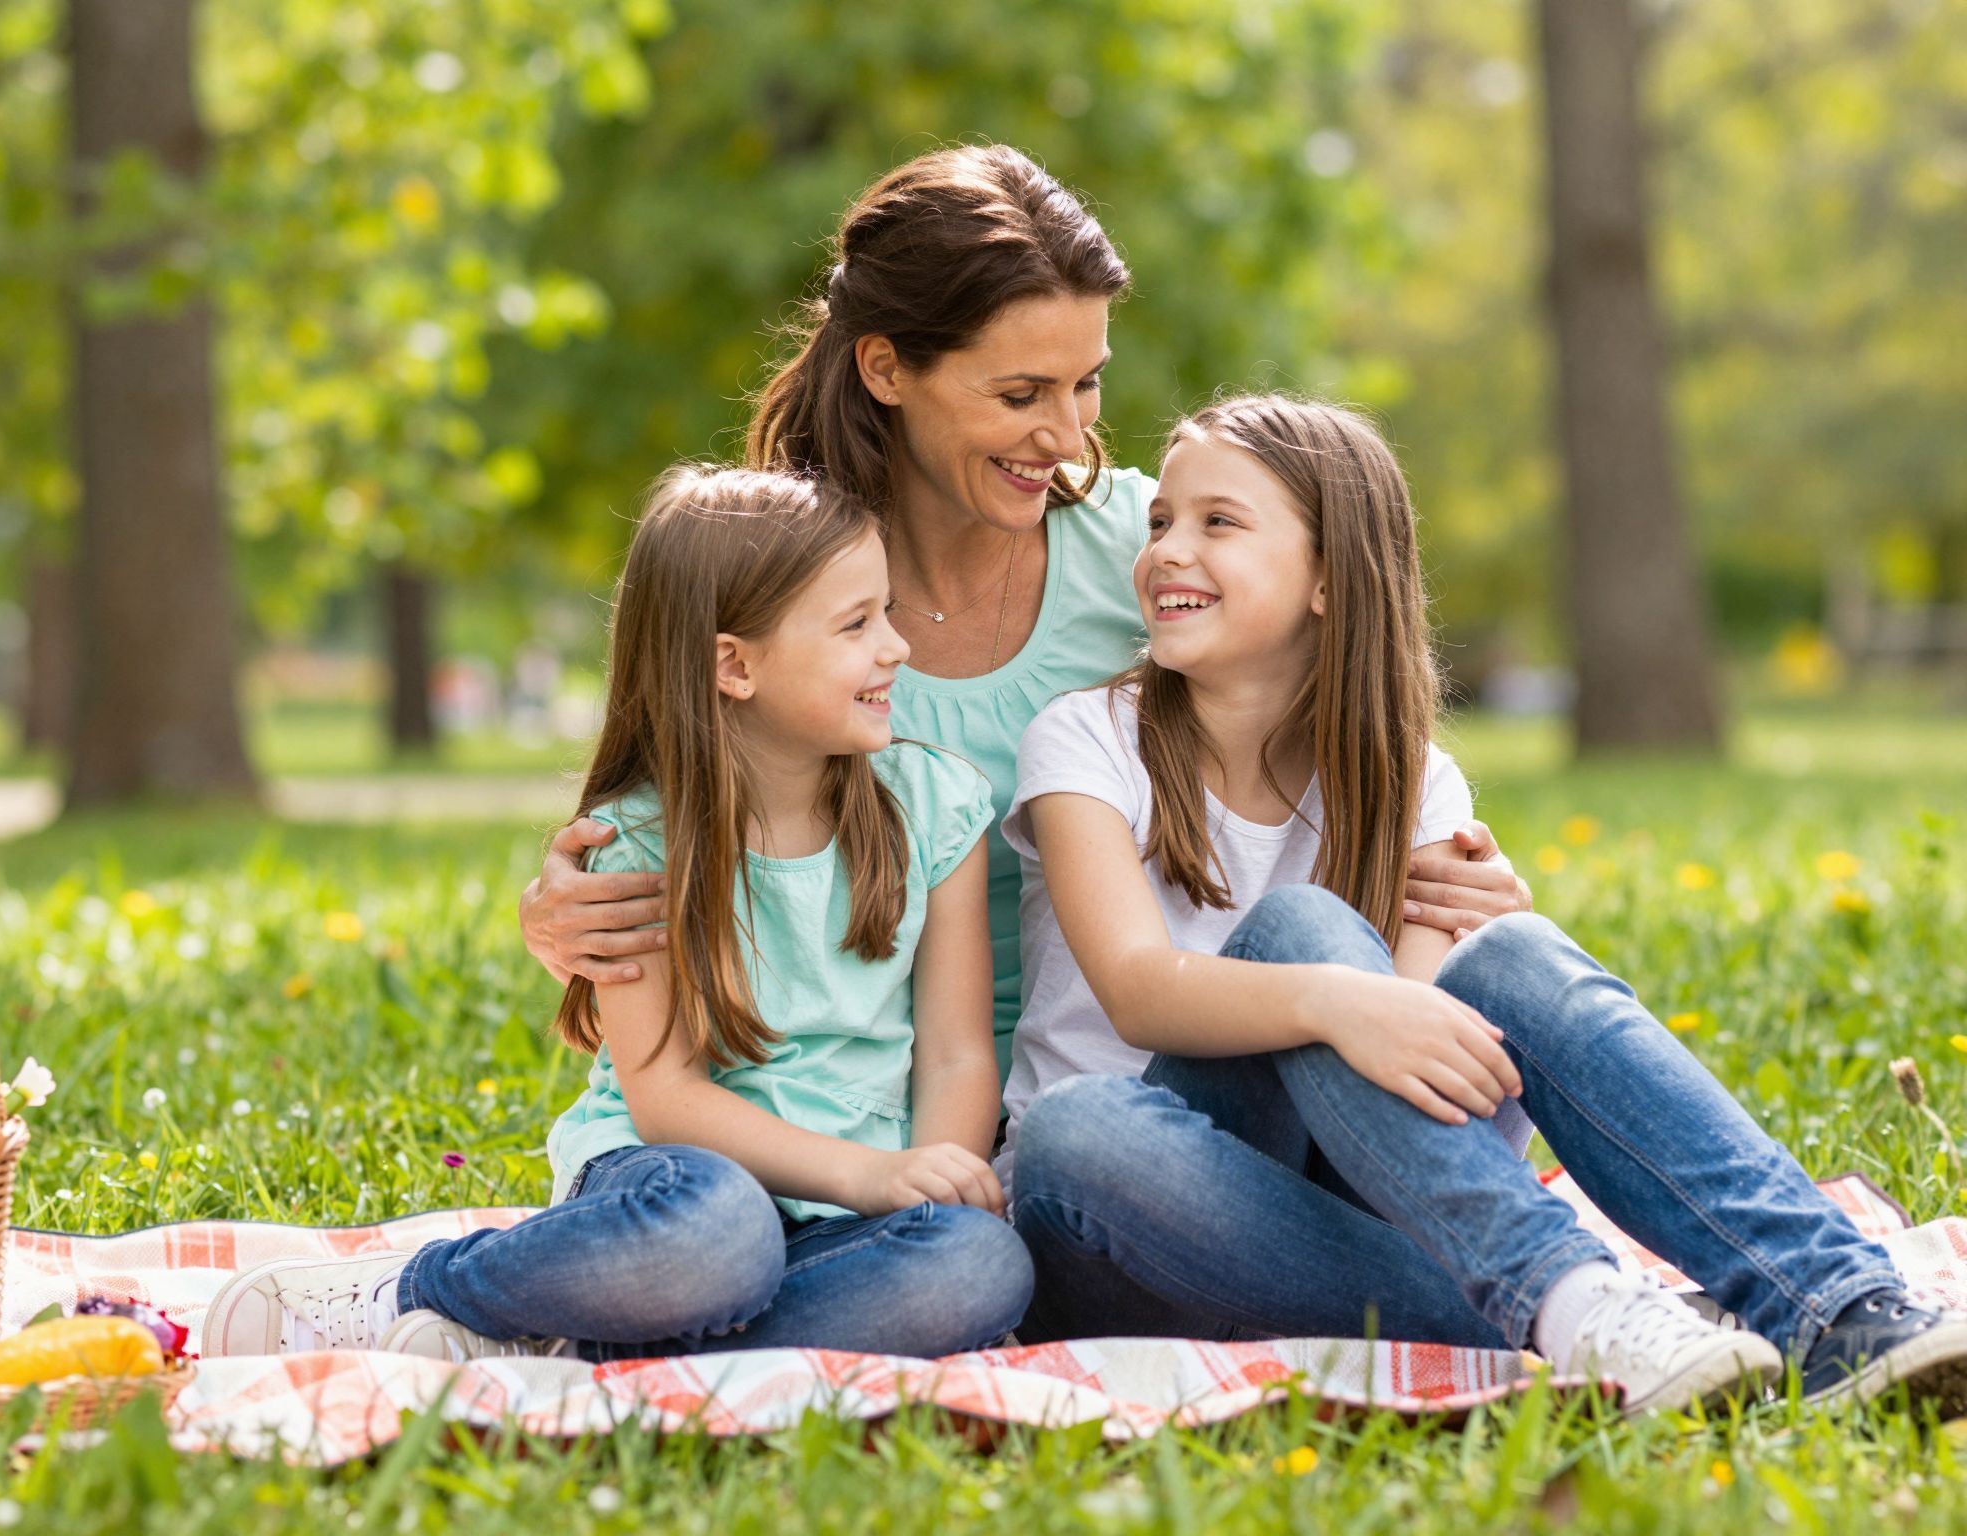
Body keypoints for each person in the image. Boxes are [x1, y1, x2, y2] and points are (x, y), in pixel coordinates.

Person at [1002, 394, 1967, 1416]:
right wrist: (1335, 1001)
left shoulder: (1411, 781)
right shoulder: (1084, 741)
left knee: (1499, 951)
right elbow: (1140, 992)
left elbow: (1419, 1092)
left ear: (1329, 576)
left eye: (1217, 523)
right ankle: (1580, 1302)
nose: (1165, 551)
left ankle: (1837, 1305)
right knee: (1080, 1125)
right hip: (1121, 1207)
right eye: (1160, 523)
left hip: (1340, 1211)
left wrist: (1431, 972)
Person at [517, 143, 1528, 1095]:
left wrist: (1458, 887)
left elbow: (1353, 737)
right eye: (1018, 393)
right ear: (884, 371)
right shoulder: (771, 577)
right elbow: (658, 819)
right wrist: (564, 916)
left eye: (1085, 382)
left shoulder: (1154, 548)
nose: (1064, 432)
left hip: (1151, 1066)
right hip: (848, 1100)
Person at [201, 467, 1030, 1363]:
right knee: (719, 1235)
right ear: (734, 664)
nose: (897, 647)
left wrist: (932, 1180)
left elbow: (954, 1050)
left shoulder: (937, 804)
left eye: (890, 613)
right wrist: (869, 1174)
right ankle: (426, 1286)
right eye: (857, 624)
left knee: (979, 1265)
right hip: (674, 1187)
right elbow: (668, 1097)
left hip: (845, 1221)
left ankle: (595, 1339)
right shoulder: (640, 840)